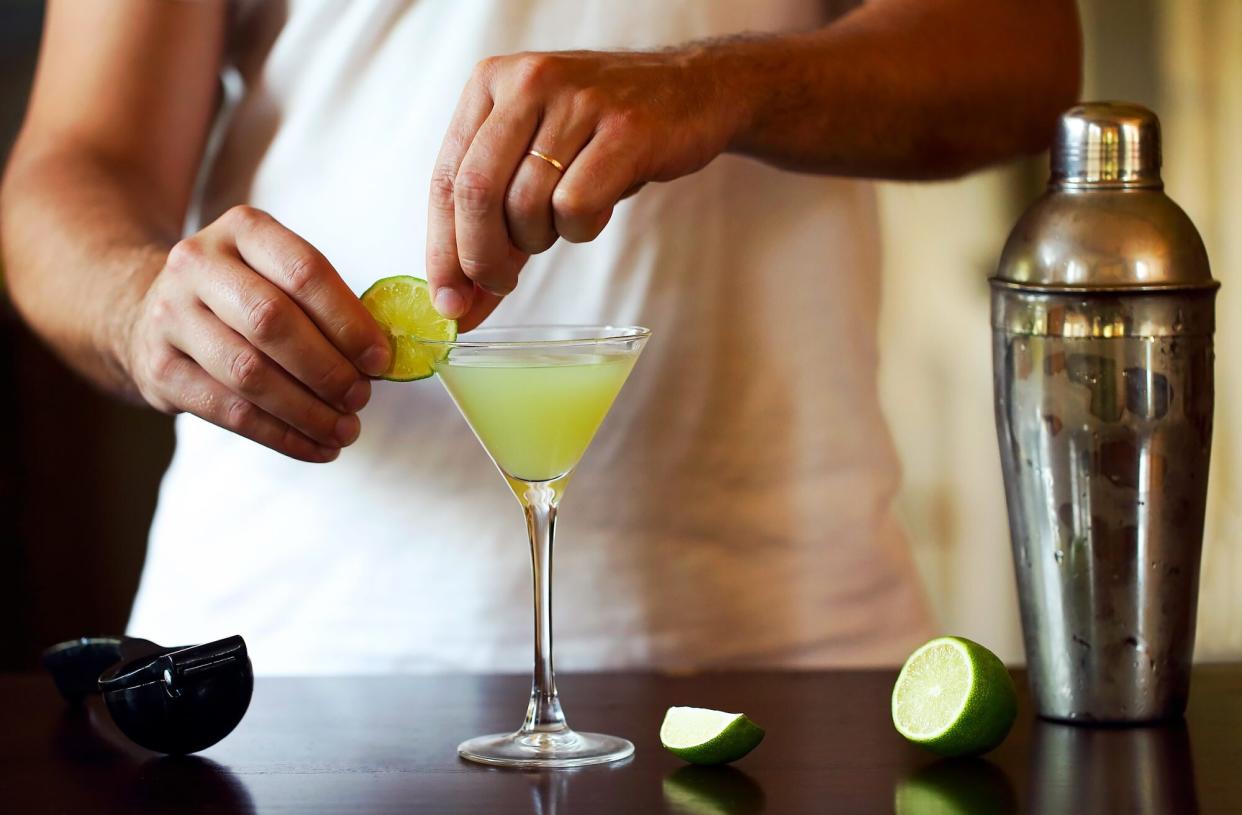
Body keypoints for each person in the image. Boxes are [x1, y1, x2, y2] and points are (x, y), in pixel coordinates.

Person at [1, 1, 1080, 673]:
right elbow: (73, 162)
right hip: (297, 653)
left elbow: (1025, 52)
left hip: (788, 639)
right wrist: (140, 302)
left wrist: (718, 81)